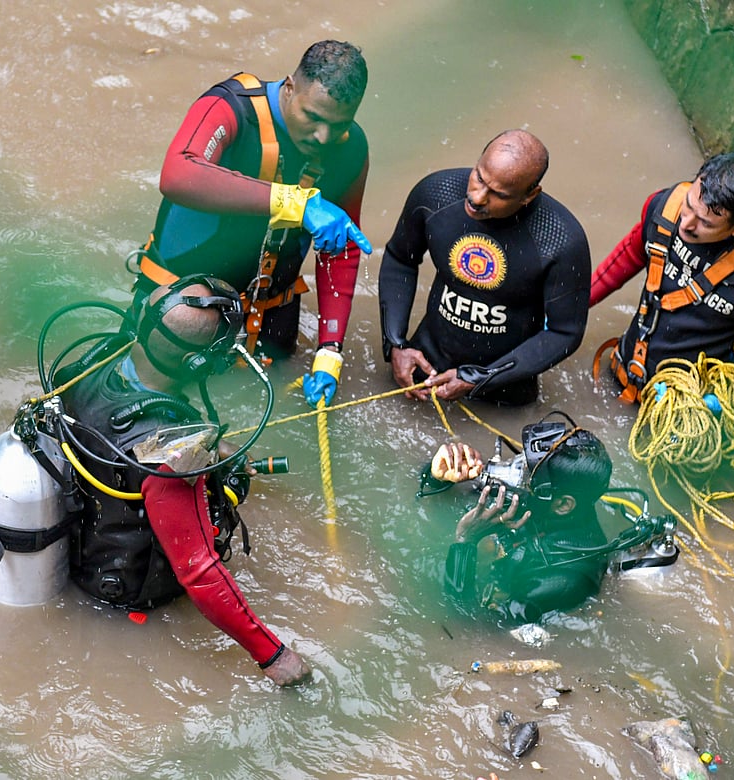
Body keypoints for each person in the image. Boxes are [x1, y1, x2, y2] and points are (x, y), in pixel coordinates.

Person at [56, 276, 311, 686]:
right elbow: (200, 572)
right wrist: (275, 656)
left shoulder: (97, 360)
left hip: (81, 545)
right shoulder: (173, 455)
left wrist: (214, 450)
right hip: (123, 596)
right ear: (201, 365)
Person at [130, 40, 373, 409]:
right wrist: (294, 202)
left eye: (338, 124)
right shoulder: (230, 108)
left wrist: (329, 350)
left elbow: (343, 246)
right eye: (313, 117)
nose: (323, 136)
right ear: (289, 87)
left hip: (271, 315)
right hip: (181, 312)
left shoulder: (351, 148)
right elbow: (178, 173)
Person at [378, 129, 592, 406]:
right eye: (479, 177)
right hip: (421, 369)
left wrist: (480, 378)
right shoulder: (435, 195)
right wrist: (396, 344)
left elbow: (565, 333)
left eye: (498, 194)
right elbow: (400, 258)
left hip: (503, 392)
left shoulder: (560, 239)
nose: (477, 198)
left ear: (530, 195)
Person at [590, 151, 734, 403]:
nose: (686, 224)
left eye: (705, 223)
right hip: (625, 370)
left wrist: (723, 400)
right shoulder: (665, 208)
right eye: (689, 206)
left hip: (688, 410)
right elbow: (630, 255)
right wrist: (571, 304)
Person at [431, 421, 616, 623]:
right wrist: (438, 476)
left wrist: (466, 540)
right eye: (521, 461)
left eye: (526, 474)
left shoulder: (562, 580)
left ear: (563, 505)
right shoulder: (547, 501)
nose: (513, 470)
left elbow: (468, 621)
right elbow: (446, 497)